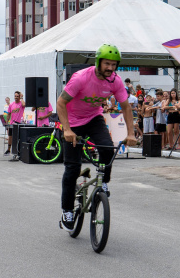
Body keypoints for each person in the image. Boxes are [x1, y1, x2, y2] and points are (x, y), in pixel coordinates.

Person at [56, 44, 136, 228]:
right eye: (107, 64)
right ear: (98, 62)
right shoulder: (81, 78)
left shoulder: (115, 81)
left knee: (107, 149)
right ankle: (67, 211)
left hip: (93, 118)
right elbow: (60, 103)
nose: (110, 68)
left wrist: (131, 133)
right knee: (72, 169)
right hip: (73, 122)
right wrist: (67, 130)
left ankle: (104, 182)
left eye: (114, 65)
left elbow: (126, 107)